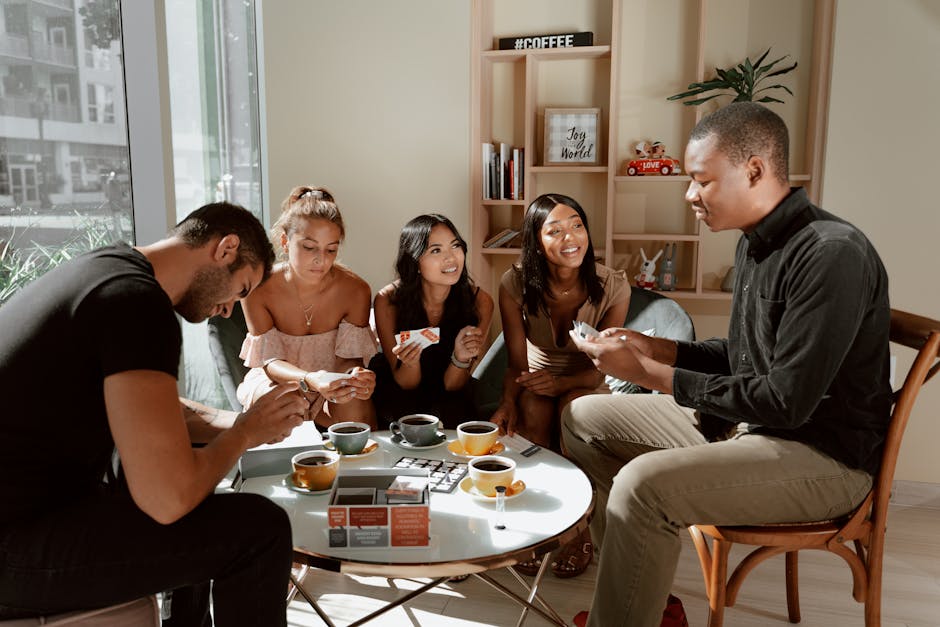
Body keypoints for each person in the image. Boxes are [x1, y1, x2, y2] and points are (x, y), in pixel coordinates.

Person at [564, 102, 891, 627]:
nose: (690, 194)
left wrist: (648, 375)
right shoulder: (754, 244)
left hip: (823, 457)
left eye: (702, 180)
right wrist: (652, 348)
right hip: (750, 426)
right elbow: (743, 358)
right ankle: (644, 606)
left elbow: (785, 402)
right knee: (583, 418)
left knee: (642, 486)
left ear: (754, 170)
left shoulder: (831, 254)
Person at [0, 202, 309, 625]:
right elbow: (169, 501)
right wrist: (242, 435)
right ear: (225, 249)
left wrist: (244, 422)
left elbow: (148, 410)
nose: (228, 310)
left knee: (190, 494)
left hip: (31, 514)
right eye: (240, 290)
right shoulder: (138, 305)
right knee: (260, 530)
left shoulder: (109, 271)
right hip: (15, 548)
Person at [490, 193, 630, 579]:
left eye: (577, 226)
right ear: (536, 242)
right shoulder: (514, 282)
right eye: (555, 231)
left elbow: (602, 369)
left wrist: (563, 383)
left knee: (576, 413)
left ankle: (578, 531)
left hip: (587, 379)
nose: (570, 238)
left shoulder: (614, 286)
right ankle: (538, 525)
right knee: (532, 412)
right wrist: (508, 401)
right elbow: (516, 362)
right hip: (534, 377)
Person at [237, 186, 378, 429]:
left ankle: (361, 456)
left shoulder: (356, 290)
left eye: (331, 249)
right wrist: (310, 379)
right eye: (309, 247)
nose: (320, 259)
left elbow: (348, 360)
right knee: (286, 401)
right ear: (285, 241)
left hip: (331, 383)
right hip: (279, 381)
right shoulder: (258, 289)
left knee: (353, 402)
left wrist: (355, 376)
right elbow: (270, 362)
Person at [370, 214, 493, 428]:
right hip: (400, 389)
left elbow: (453, 385)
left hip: (451, 391)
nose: (451, 258)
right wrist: (410, 362)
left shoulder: (480, 302)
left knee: (454, 413)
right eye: (436, 250)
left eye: (455, 246)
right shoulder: (387, 300)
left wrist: (460, 357)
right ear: (415, 261)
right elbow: (405, 383)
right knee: (407, 416)